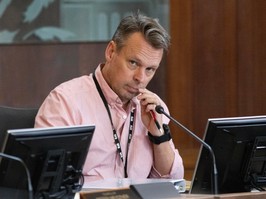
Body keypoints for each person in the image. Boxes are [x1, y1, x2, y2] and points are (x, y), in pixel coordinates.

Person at [35, 12, 184, 182]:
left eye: (150, 69)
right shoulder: (65, 102)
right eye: (133, 63)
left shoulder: (153, 108)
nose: (140, 78)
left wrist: (159, 135)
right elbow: (47, 182)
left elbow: (173, 181)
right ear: (111, 51)